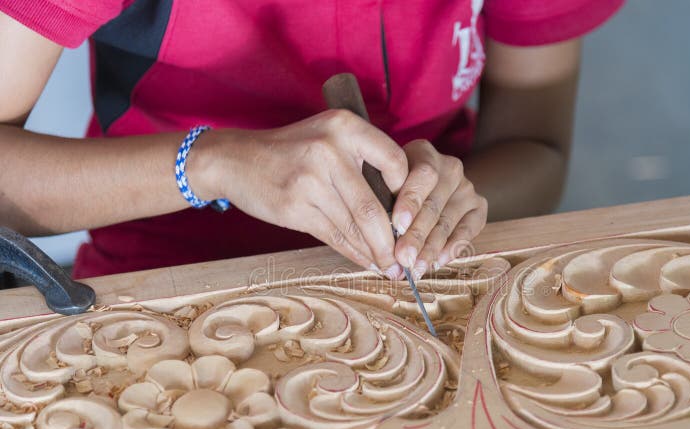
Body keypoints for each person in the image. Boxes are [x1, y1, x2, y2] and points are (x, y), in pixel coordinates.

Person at [0, 0, 623, 280]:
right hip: (167, 281)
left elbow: (537, 142)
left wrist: (447, 202)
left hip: (424, 282)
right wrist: (215, 163)